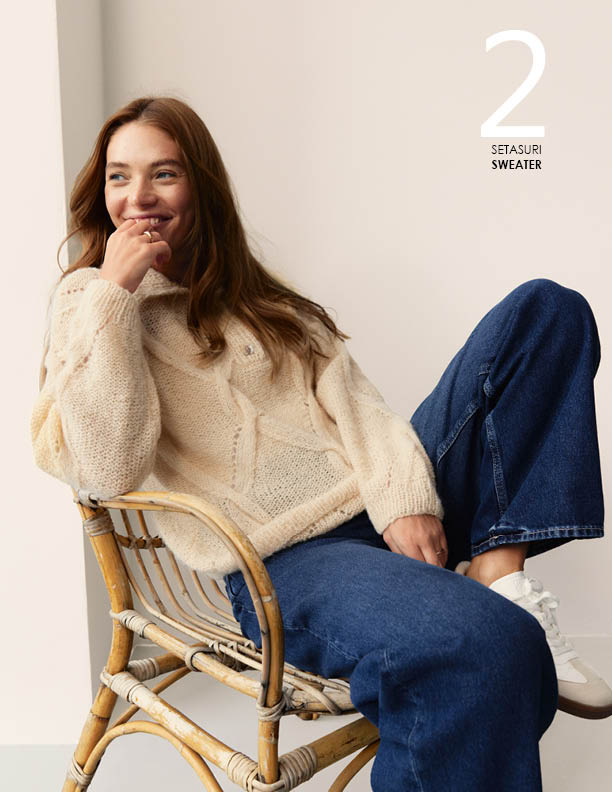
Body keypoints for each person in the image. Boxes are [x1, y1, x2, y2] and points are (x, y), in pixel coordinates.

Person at [31, 95, 611, 791]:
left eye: (164, 173)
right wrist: (115, 294)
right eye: (119, 177)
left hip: (383, 505)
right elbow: (105, 466)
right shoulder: (88, 304)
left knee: (546, 311)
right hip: (288, 559)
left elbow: (362, 410)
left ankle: (498, 568)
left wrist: (402, 497)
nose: (139, 197)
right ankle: (489, 610)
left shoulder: (260, 299)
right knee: (492, 645)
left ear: (200, 186)